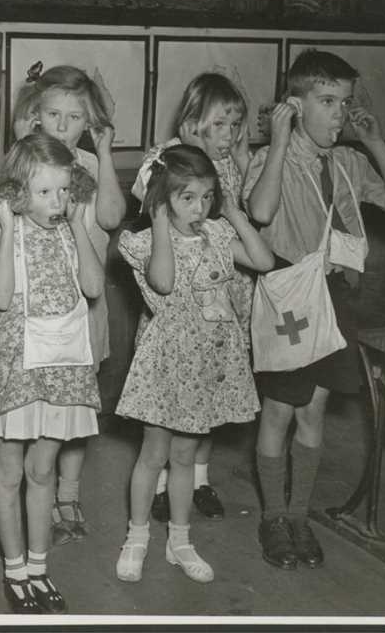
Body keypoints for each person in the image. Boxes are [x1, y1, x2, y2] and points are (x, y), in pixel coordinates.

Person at [244, 49, 385, 571]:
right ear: (295, 106)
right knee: (278, 411)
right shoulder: (273, 158)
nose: (339, 113)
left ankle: (299, 517)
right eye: (326, 101)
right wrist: (277, 142)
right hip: (290, 297)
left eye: (344, 102)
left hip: (335, 297)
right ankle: (274, 516)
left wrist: (376, 144)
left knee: (313, 411)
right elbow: (261, 211)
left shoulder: (347, 162)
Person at [114, 144, 273, 584]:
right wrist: (162, 223)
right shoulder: (140, 242)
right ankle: (137, 536)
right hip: (167, 362)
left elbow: (263, 261)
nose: (201, 208)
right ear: (163, 199)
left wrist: (236, 216)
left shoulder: (218, 234)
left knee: (185, 457)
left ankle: (180, 540)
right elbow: (163, 283)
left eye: (207, 197)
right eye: (188, 198)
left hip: (207, 362)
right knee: (154, 455)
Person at [0, 133, 103, 613]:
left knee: (43, 469)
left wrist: (79, 228)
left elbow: (92, 287)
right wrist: (7, 226)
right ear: (16, 192)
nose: (57, 202)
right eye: (45, 192)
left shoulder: (71, 230)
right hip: (16, 368)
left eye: (64, 191)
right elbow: (2, 298)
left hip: (63, 367)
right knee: (8, 471)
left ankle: (39, 565)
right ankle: (14, 570)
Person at [131, 72, 254, 523]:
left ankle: (199, 478)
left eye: (236, 125)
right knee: (171, 399)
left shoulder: (232, 165)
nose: (229, 135)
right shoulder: (169, 159)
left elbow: (251, 217)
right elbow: (146, 199)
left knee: (211, 388)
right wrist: (181, 152)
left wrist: (241, 160)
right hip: (177, 295)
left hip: (226, 291)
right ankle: (163, 485)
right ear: (192, 122)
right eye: (219, 124)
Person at [12, 63, 126, 545]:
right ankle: (30, 489)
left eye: (75, 117)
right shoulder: (27, 164)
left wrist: (102, 152)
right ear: (36, 116)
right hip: (37, 308)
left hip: (85, 302)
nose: (62, 125)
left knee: (79, 405)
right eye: (53, 114)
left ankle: (68, 494)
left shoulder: (92, 164)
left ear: (90, 121)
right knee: (37, 405)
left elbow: (113, 216)